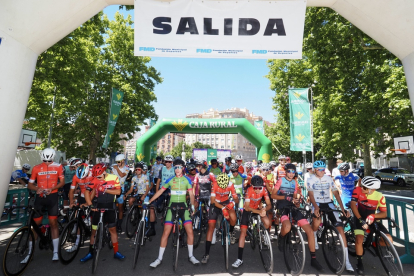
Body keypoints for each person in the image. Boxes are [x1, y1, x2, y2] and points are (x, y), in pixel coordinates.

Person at [271, 163, 324, 271]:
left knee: (309, 230)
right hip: (282, 206)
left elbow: (295, 197)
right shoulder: (281, 180)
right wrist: (286, 197)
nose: (291, 173)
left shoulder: (295, 182)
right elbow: (273, 195)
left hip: (291, 206)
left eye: (293, 172)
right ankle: (281, 237)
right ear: (286, 171)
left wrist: (297, 202)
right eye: (289, 171)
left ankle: (313, 258)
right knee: (287, 227)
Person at [148, 158, 199, 267]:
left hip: (184, 208)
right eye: (175, 167)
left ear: (183, 168)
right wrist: (150, 200)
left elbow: (191, 195)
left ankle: (191, 256)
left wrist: (193, 207)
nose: (177, 169)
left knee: (190, 232)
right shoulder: (170, 179)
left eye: (179, 167)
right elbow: (161, 191)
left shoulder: (187, 180)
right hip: (172, 207)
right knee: (165, 233)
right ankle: (159, 258)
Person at [307, 160, 353, 272]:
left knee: (340, 229)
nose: (321, 172)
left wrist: (342, 208)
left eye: (323, 169)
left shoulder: (328, 178)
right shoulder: (310, 179)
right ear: (314, 170)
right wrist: (316, 208)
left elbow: (336, 193)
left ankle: (347, 261)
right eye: (319, 170)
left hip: (329, 202)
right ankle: (314, 233)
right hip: (317, 202)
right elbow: (311, 194)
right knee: (317, 221)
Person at [80, 163, 125, 262]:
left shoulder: (114, 178)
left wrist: (105, 189)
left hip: (110, 206)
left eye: (99, 176)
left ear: (105, 172)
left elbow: (118, 192)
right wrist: (90, 204)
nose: (98, 178)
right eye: (96, 177)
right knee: (94, 231)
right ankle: (90, 252)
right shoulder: (95, 179)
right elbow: (87, 191)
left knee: (112, 230)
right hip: (98, 206)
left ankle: (116, 252)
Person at [25, 148, 64, 262]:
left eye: (49, 160)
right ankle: (30, 253)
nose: (47, 163)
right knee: (35, 225)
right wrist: (38, 188)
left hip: (52, 197)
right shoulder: (36, 168)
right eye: (45, 160)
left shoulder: (58, 166)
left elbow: (62, 182)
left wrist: (52, 188)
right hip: (40, 198)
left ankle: (55, 251)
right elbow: (30, 185)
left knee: (53, 223)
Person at [351, 176, 390, 275]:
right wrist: (360, 219)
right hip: (359, 217)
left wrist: (374, 216)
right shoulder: (357, 190)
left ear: (372, 189)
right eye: (362, 186)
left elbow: (384, 213)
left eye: (364, 187)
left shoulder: (380, 196)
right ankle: (359, 263)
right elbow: (353, 205)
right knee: (359, 239)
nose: (362, 188)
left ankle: (374, 243)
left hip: (372, 219)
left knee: (389, 240)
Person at [232, 175, 271, 268]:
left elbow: (269, 205)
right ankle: (239, 259)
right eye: (255, 188)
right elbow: (247, 207)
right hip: (248, 210)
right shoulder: (249, 191)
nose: (258, 189)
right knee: (242, 233)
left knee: (267, 222)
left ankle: (261, 234)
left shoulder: (264, 190)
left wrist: (264, 209)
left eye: (259, 188)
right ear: (252, 186)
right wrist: (260, 211)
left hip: (258, 208)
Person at [201, 173, 238, 264]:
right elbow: (213, 201)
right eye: (221, 186)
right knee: (211, 227)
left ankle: (231, 232)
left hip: (226, 202)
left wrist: (232, 203)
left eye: (224, 186)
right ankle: (206, 254)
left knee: (233, 217)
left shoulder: (230, 184)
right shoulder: (215, 185)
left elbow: (236, 198)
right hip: (216, 204)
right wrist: (222, 208)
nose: (222, 188)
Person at [66, 163, 93, 253]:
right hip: (82, 196)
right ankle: (76, 243)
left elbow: (96, 189)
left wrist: (88, 203)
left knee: (94, 219)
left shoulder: (93, 174)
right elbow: (71, 190)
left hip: (93, 195)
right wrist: (71, 202)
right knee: (77, 219)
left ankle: (94, 241)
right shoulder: (75, 177)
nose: (81, 180)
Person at [152, 155, 175, 229]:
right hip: (163, 188)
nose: (167, 163)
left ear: (172, 162)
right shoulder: (162, 169)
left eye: (169, 162)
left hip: (171, 189)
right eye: (166, 162)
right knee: (153, 205)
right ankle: (152, 228)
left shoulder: (175, 169)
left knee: (172, 205)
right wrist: (157, 192)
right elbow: (158, 181)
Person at [228, 163, 246, 243]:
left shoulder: (241, 175)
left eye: (236, 171)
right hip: (231, 196)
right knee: (232, 214)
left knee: (242, 211)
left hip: (240, 196)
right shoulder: (228, 176)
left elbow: (250, 177)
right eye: (233, 171)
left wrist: (246, 183)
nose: (235, 173)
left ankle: (244, 232)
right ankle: (231, 231)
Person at [112, 154, 128, 233]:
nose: (117, 163)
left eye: (119, 162)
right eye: (116, 162)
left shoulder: (126, 169)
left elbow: (122, 175)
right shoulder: (114, 168)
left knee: (120, 208)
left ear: (122, 161)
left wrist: (116, 169)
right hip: (113, 188)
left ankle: (119, 225)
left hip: (121, 189)